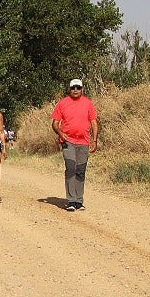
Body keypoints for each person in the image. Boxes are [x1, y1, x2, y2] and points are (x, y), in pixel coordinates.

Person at [51, 77, 100, 211]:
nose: (76, 90)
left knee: (80, 170)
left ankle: (79, 200)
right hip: (68, 142)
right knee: (71, 168)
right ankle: (71, 200)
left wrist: (94, 140)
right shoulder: (63, 103)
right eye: (73, 88)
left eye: (78, 87)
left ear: (82, 89)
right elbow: (55, 123)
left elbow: (94, 122)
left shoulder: (88, 103)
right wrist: (60, 133)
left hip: (84, 142)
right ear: (69, 89)